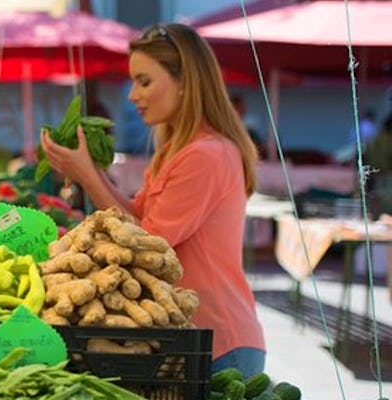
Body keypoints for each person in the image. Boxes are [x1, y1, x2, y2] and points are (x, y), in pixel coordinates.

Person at [41, 23, 265, 376]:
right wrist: (92, 172)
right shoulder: (177, 151)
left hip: (220, 344)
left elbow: (144, 246)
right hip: (190, 338)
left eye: (144, 81)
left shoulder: (206, 155)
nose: (132, 95)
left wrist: (86, 174)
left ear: (185, 83)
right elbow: (132, 215)